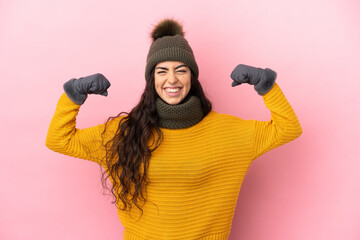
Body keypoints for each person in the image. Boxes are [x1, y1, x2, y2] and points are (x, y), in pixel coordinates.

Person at [46, 18, 302, 240]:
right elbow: (59, 139)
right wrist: (74, 95)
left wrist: (266, 85)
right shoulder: (124, 133)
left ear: (192, 77)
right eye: (162, 71)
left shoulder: (229, 131)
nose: (172, 79)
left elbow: (288, 128)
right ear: (152, 79)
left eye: (181, 70)